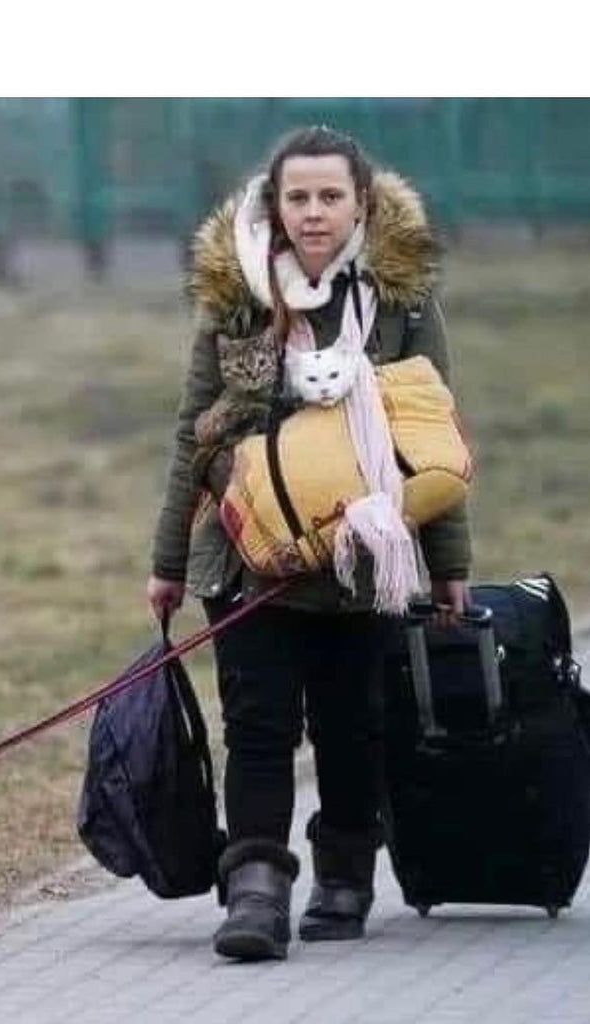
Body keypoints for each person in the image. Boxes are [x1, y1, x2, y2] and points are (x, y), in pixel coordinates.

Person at [147, 126, 472, 961]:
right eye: (299, 197)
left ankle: (345, 875)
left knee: (350, 723)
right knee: (256, 724)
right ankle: (256, 886)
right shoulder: (237, 299)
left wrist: (450, 569)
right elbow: (192, 434)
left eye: (331, 197)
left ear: (361, 202)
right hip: (248, 556)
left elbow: (434, 438)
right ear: (275, 204)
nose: (314, 213)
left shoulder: (400, 304)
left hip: (365, 558)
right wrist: (168, 564)